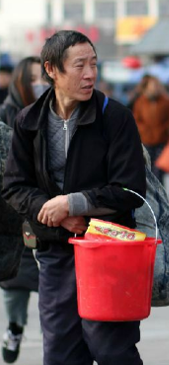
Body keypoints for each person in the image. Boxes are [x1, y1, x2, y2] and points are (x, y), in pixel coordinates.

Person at [1, 30, 146, 365]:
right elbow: (14, 187)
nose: (90, 73)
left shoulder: (115, 118)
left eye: (93, 64)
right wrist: (54, 212)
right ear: (51, 69)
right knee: (60, 353)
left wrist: (74, 203)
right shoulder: (29, 121)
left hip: (109, 249)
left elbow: (131, 190)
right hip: (55, 250)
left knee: (110, 347)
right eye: (79, 65)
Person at [0, 56, 49, 364]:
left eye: (43, 78)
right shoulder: (6, 115)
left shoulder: (53, 115)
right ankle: (15, 327)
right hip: (14, 212)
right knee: (16, 280)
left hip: (49, 210)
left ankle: (55, 336)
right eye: (34, 78)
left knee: (52, 280)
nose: (40, 84)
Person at [132, 75, 169, 183]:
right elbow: (136, 119)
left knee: (159, 169)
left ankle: (159, 193)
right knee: (147, 167)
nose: (155, 88)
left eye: (157, 86)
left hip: (162, 140)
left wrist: (165, 129)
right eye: (153, 86)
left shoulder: (166, 102)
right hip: (146, 140)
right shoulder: (140, 102)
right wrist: (144, 131)